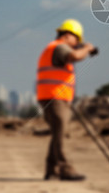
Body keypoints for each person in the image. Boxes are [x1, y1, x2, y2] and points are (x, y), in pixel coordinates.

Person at [36, 18, 97, 181]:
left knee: (58, 133)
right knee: (61, 133)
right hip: (54, 98)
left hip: (54, 97)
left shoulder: (53, 48)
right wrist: (86, 48)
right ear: (68, 35)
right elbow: (75, 56)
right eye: (77, 39)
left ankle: (51, 170)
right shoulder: (59, 47)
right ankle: (66, 169)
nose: (76, 43)